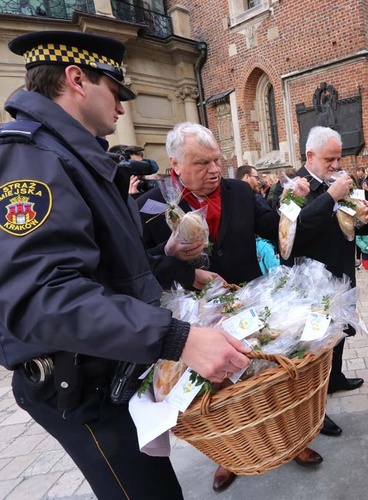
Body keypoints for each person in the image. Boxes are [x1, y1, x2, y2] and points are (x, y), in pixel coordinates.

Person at [0, 31, 255, 499]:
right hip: (81, 387)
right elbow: (43, 299)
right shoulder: (31, 157)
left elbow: (112, 276)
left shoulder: (73, 156)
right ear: (76, 79)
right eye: (115, 92)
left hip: (111, 370)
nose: (121, 108)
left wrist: (177, 266)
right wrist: (177, 338)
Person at [138, 123, 323, 492]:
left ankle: (294, 442)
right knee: (217, 387)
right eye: (201, 163)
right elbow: (141, 263)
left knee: (269, 375)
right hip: (195, 315)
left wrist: (291, 199)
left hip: (252, 299)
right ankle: (226, 455)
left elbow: (271, 226)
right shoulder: (151, 205)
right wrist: (180, 265)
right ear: (174, 163)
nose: (213, 170)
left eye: (217, 160)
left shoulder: (238, 189)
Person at [273, 126, 368, 436]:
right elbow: (291, 236)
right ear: (310, 156)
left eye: (339, 158)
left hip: (342, 274)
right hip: (311, 286)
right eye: (330, 159)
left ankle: (335, 379)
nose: (337, 165)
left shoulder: (339, 184)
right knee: (316, 347)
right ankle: (316, 410)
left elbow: (352, 227)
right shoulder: (291, 187)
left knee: (340, 335)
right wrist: (329, 198)